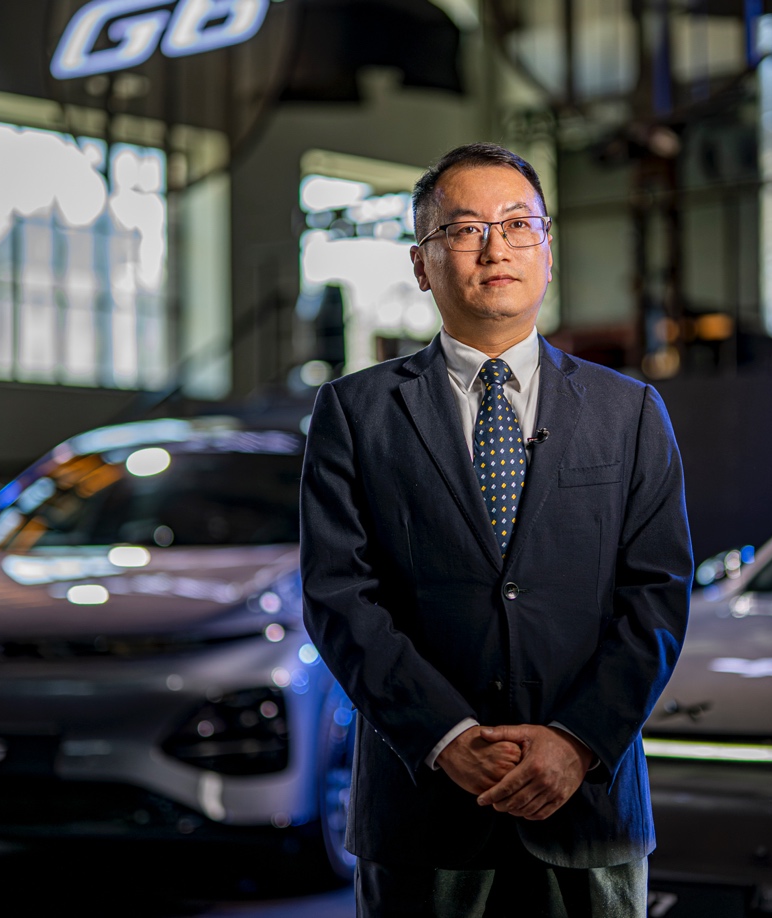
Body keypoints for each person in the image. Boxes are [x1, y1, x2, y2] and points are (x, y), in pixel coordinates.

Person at [300, 142, 694, 917]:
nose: (495, 247)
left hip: (588, 808)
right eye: (465, 228)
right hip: (423, 812)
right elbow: (339, 596)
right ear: (421, 265)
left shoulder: (630, 413)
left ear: (547, 250)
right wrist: (446, 736)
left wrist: (577, 741)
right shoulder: (354, 413)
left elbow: (657, 595)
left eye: (518, 224)